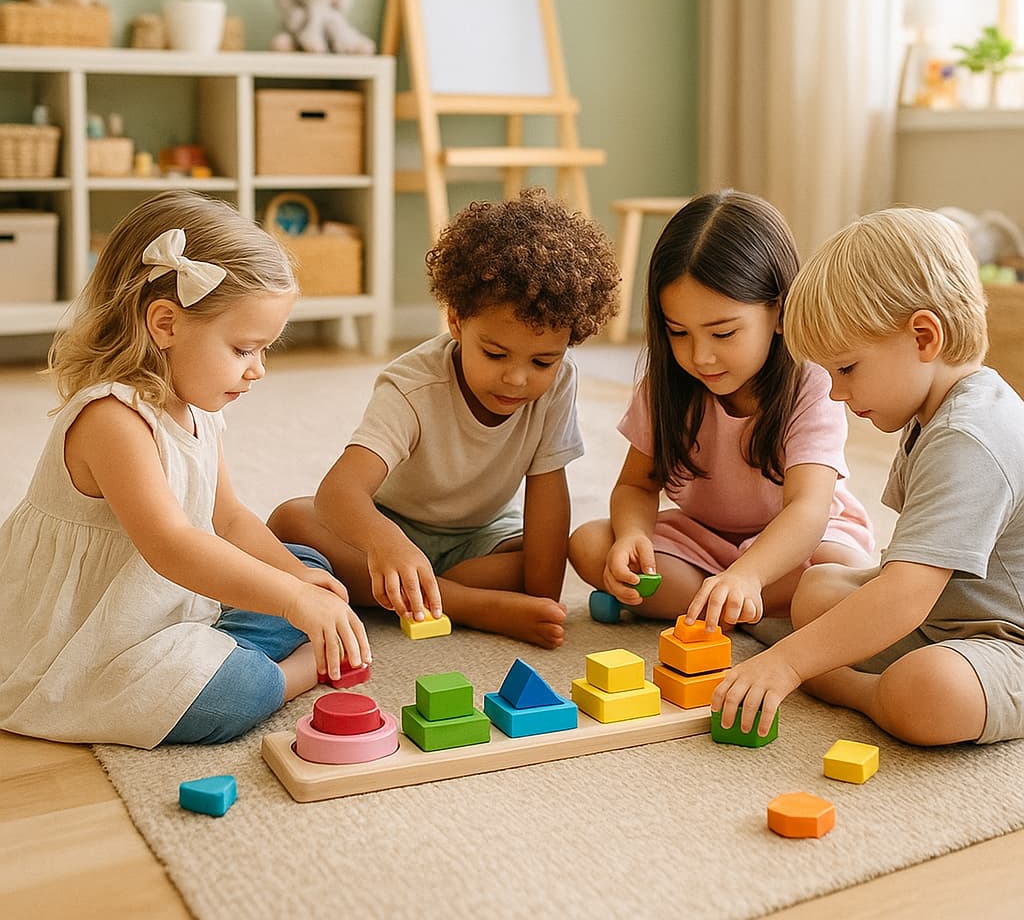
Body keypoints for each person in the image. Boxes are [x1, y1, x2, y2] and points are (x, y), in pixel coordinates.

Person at [0, 190, 369, 749]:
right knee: (234, 690)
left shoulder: (196, 405)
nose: (258, 371)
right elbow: (171, 545)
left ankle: (234, 641)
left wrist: (295, 582)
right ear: (166, 323)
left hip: (167, 598)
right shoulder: (112, 418)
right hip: (93, 632)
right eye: (245, 349)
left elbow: (231, 519)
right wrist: (292, 601)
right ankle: (294, 673)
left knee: (309, 565)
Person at [712, 207, 1024, 747]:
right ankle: (856, 667)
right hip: (947, 616)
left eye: (847, 369)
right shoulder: (935, 411)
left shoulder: (969, 436)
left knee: (928, 692)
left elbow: (904, 596)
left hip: (1005, 639)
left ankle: (861, 691)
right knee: (817, 587)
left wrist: (789, 664)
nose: (835, 392)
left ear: (924, 337)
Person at [268, 189, 620, 649]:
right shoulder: (412, 387)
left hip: (483, 536)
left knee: (551, 547)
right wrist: (385, 544)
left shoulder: (559, 379)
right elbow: (339, 493)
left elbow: (548, 491)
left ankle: (421, 589)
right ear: (455, 322)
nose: (517, 379)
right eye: (495, 353)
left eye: (542, 362)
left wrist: (541, 600)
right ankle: (463, 602)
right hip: (394, 522)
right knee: (290, 523)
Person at [569, 190, 875, 631]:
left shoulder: (813, 382)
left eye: (724, 333)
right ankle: (742, 609)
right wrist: (634, 535)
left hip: (798, 541)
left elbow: (807, 510)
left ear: (779, 309)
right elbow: (636, 485)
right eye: (679, 332)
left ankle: (716, 603)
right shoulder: (666, 386)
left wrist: (749, 573)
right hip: (704, 540)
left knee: (837, 572)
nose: (701, 357)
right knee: (590, 544)